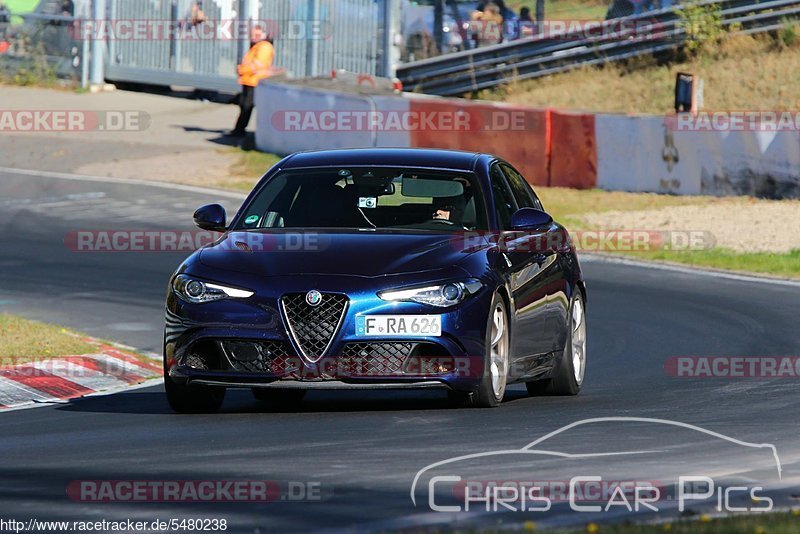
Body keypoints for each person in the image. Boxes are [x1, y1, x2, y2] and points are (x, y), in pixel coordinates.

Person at [230, 27, 275, 137]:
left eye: (257, 35)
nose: (254, 37)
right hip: (249, 80)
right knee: (244, 105)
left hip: (255, 81)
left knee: (247, 106)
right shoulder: (257, 46)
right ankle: (238, 130)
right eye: (253, 35)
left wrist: (241, 69)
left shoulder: (264, 47)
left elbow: (257, 65)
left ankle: (239, 131)